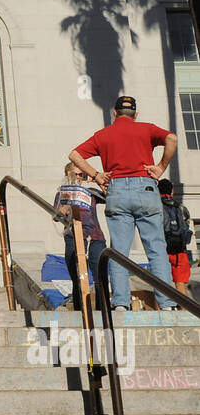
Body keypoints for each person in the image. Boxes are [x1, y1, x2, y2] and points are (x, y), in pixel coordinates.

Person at [70, 95, 176, 311]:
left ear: (115, 113)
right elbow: (172, 138)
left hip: (116, 189)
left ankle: (120, 304)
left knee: (119, 250)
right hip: (145, 187)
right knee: (156, 248)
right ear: (135, 114)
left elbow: (74, 154)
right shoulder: (146, 129)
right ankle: (167, 304)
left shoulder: (103, 135)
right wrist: (161, 167)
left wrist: (97, 175)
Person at [53, 163, 106, 311]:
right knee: (78, 276)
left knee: (99, 275)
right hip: (73, 236)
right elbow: (56, 215)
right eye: (74, 174)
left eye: (80, 174)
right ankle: (80, 310)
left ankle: (102, 310)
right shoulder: (63, 194)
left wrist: (97, 180)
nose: (78, 177)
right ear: (67, 175)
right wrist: (64, 209)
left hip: (95, 236)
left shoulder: (91, 193)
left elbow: (109, 196)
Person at [158, 178, 193, 290]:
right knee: (180, 284)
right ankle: (183, 307)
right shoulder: (181, 208)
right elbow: (186, 227)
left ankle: (162, 308)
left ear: (157, 192)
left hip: (162, 251)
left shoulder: (156, 207)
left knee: (160, 285)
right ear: (172, 192)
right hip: (180, 252)